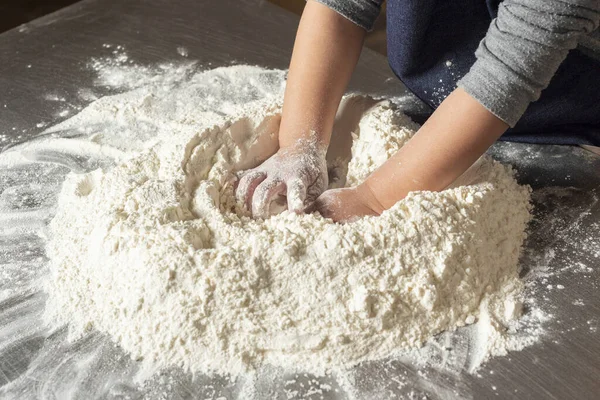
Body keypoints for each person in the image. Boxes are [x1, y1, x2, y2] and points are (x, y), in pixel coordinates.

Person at [236, 0, 600, 222]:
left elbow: (505, 77)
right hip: (459, 92)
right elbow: (339, 9)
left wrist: (372, 200)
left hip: (574, 110)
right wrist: (300, 141)